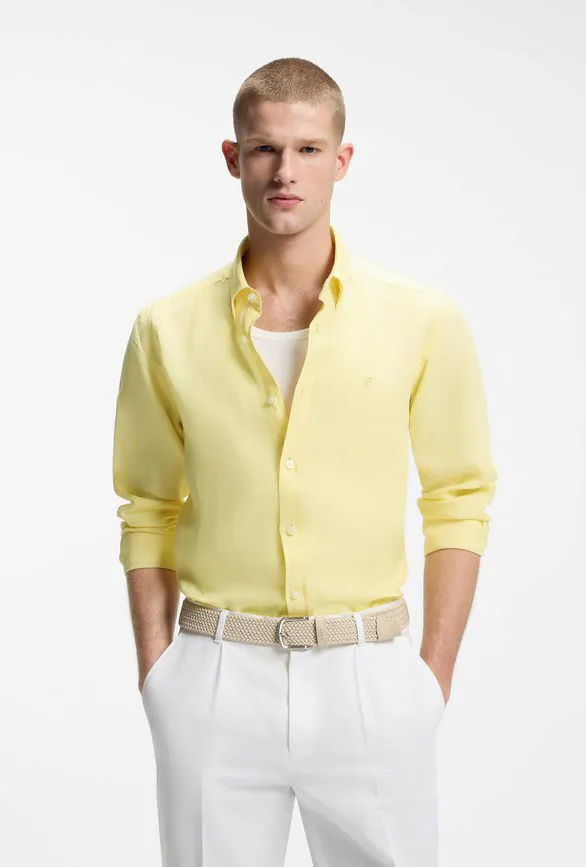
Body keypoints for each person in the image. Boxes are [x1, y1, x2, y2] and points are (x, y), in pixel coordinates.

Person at [112, 56, 497, 867]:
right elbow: (147, 505)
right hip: (215, 679)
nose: (285, 170)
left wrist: (429, 680)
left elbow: (458, 497)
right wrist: (159, 674)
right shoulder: (165, 329)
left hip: (370, 679)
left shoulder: (421, 320)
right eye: (264, 148)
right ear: (233, 158)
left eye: (309, 149)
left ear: (342, 160)